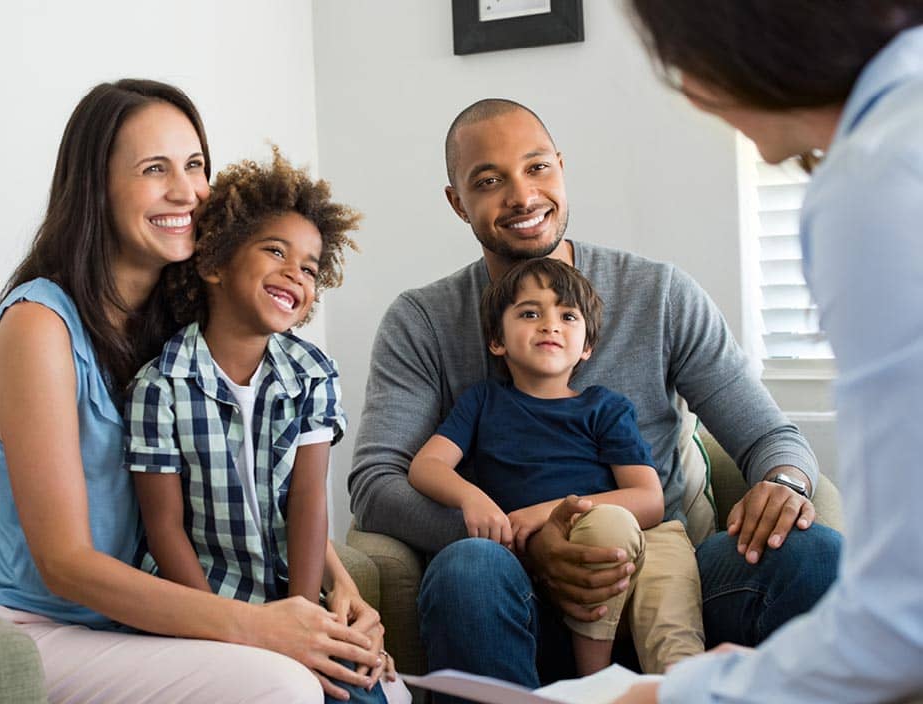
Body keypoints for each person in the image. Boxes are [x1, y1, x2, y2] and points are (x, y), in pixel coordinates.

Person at [348, 96, 842, 694]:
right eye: (489, 181)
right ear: (458, 203)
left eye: (537, 167)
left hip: (660, 571)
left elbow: (770, 437)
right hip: (507, 586)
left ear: (561, 167)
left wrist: (785, 483)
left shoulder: (658, 294)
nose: (523, 196)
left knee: (813, 553)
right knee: (469, 569)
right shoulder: (423, 321)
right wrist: (525, 543)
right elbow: (376, 483)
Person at [0, 79, 388, 704]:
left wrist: (336, 589)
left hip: (139, 625)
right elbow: (64, 563)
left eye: (195, 165)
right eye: (154, 169)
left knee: (375, 682)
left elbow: (261, 486)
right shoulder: (39, 326)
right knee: (284, 686)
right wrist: (260, 630)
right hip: (31, 628)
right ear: (96, 186)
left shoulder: (183, 327)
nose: (186, 191)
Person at [613, 2, 923, 702]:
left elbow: (902, 617)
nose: (692, 98)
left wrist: (687, 691)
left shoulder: (875, 180)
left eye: (682, 65)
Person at [123, 148, 408, 703]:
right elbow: (164, 529)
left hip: (287, 598)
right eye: (276, 251)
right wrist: (221, 629)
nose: (295, 273)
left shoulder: (312, 375)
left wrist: (303, 622)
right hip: (198, 603)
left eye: (309, 267)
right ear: (215, 264)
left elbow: (308, 503)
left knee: (365, 692)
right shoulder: (158, 388)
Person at [408, 257, 704, 676]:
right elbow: (427, 465)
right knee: (604, 529)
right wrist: (471, 498)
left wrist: (540, 513)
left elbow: (648, 499)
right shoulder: (483, 401)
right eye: (530, 313)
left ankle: (662, 688)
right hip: (543, 565)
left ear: (586, 347)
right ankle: (592, 683)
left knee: (673, 635)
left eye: (568, 316)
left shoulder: (605, 407)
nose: (550, 325)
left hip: (641, 539)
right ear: (497, 340)